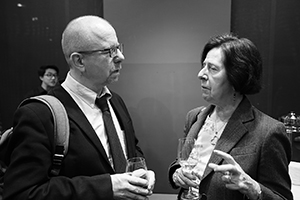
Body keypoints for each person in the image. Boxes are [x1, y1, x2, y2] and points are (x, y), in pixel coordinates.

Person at [3, 15, 155, 200]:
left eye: (118, 47)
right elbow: (22, 193)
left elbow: (131, 148)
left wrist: (140, 169)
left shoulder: (115, 101)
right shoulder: (39, 114)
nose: (120, 57)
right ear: (79, 61)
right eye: (109, 51)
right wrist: (106, 187)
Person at [168, 33, 292, 200]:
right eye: (203, 65)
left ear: (236, 77)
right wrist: (176, 174)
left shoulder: (269, 132)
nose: (201, 74)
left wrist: (252, 187)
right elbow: (182, 162)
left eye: (212, 68)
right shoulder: (195, 117)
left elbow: (282, 198)